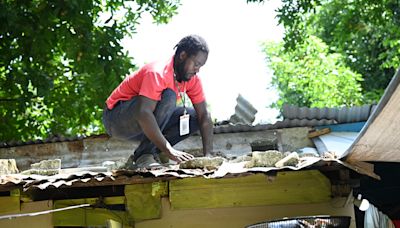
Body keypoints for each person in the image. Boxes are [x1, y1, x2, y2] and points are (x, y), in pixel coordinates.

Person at [102, 34, 214, 168]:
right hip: (116, 119)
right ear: (182, 56)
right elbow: (143, 113)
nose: (197, 70)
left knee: (195, 117)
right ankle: (144, 155)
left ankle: (155, 152)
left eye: (200, 66)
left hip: (144, 123)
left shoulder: (192, 80)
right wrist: (169, 149)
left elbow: (204, 116)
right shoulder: (157, 73)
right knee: (168, 96)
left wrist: (209, 156)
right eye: (196, 64)